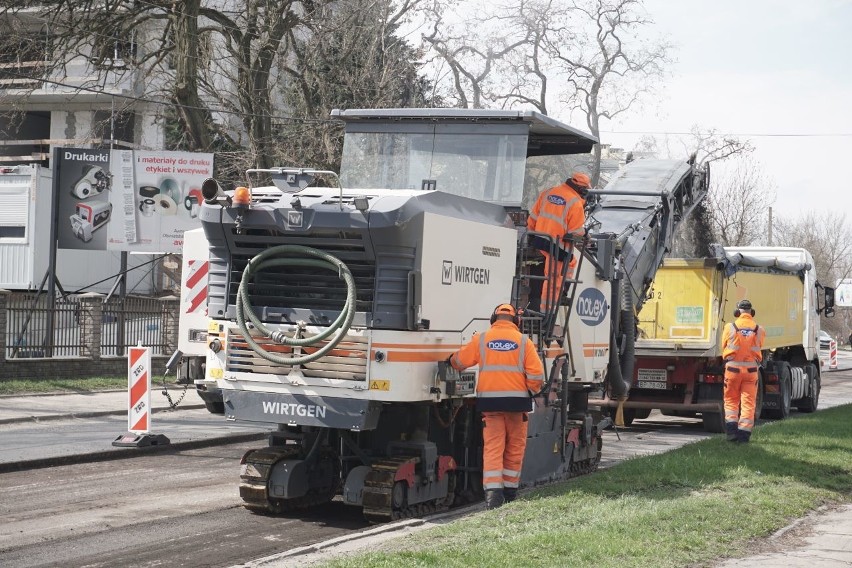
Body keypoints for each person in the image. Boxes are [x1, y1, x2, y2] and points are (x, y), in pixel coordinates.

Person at [447, 304, 545, 509]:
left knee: (493, 448)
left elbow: (460, 360)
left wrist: (450, 361)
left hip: (490, 404)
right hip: (517, 405)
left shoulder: (482, 339)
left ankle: (493, 498)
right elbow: (536, 374)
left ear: (493, 319)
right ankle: (510, 493)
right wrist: (530, 390)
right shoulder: (524, 342)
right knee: (515, 448)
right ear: (516, 322)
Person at [526, 172, 591, 312]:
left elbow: (533, 217)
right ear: (582, 189)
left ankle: (560, 292)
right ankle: (548, 311)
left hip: (539, 240)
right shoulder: (576, 203)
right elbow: (575, 231)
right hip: (557, 246)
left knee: (556, 271)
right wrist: (586, 233)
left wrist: (531, 235)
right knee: (555, 277)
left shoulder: (548, 192)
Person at [721, 299, 766, 443]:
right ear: (751, 313)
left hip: (732, 370)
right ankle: (744, 436)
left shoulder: (730, 327)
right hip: (751, 371)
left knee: (731, 401)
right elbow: (759, 346)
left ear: (737, 312)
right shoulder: (759, 329)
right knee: (748, 402)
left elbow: (723, 345)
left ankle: (731, 432)